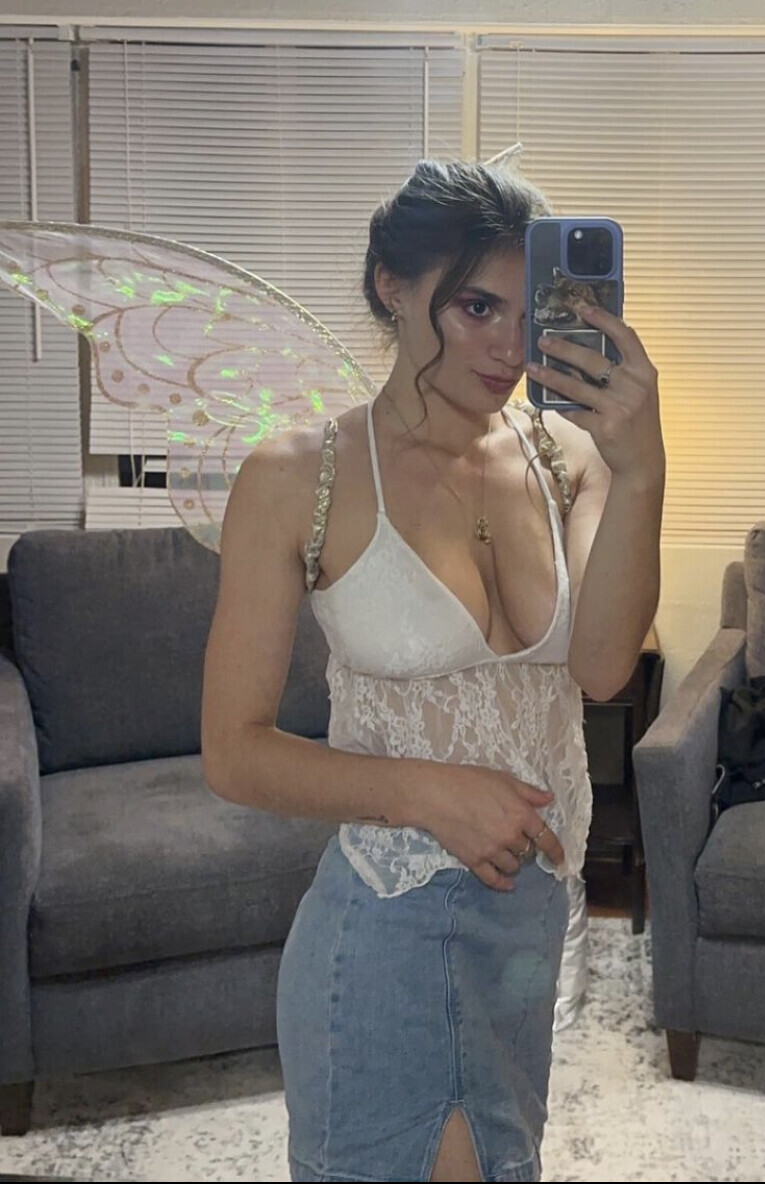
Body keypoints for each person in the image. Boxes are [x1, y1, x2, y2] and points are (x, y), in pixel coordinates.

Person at [199, 158, 665, 1183]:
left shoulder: (569, 461)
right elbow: (233, 753)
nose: (508, 346)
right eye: (475, 306)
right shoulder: (298, 477)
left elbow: (601, 670)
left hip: (531, 925)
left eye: (529, 312)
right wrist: (429, 791)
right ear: (391, 287)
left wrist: (643, 470)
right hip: (384, 928)